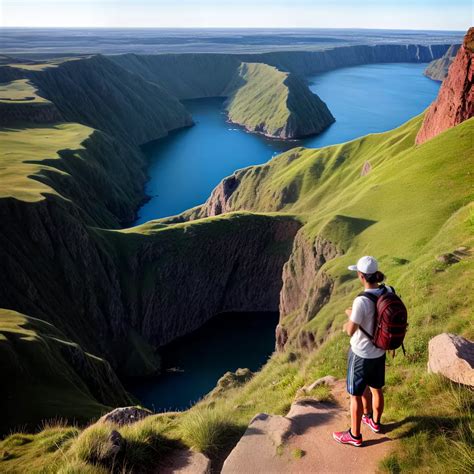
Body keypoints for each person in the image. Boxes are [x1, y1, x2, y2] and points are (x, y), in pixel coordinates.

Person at [333, 255, 391, 447]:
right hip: (380, 352)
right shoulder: (388, 291)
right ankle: (374, 422)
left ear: (361, 276)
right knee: (376, 389)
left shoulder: (361, 301)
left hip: (361, 354)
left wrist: (348, 317)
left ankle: (354, 435)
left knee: (355, 395)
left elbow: (351, 330)